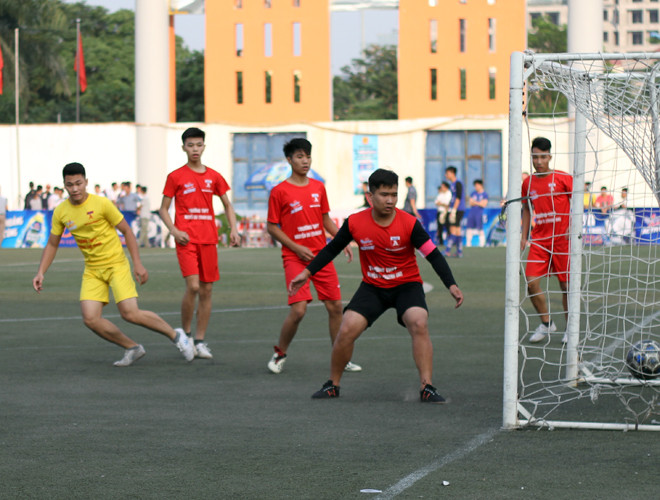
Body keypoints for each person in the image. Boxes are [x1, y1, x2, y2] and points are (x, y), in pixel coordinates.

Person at [289, 168, 464, 402]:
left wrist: (451, 284)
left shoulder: (410, 223)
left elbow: (433, 255)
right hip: (373, 287)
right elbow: (331, 249)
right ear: (370, 196)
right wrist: (307, 273)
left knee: (419, 321)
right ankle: (333, 385)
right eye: (384, 194)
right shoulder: (355, 222)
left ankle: (427, 387)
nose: (390, 200)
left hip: (407, 285)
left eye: (394, 194)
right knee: (346, 328)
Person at [32, 162, 194, 366]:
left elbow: (127, 231)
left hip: (116, 264)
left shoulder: (102, 204)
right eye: (70, 185)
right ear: (64, 186)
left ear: (86, 182)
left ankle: (176, 336)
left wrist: (137, 264)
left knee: (130, 313)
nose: (75, 189)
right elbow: (52, 243)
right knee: (90, 319)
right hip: (92, 269)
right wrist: (41, 272)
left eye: (78, 183)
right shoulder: (61, 211)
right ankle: (132, 348)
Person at [266, 138, 361, 374]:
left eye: (307, 156)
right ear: (289, 160)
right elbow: (272, 227)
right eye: (299, 156)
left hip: (321, 256)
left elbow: (325, 219)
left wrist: (341, 240)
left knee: (335, 306)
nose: (305, 161)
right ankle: (280, 353)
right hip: (294, 257)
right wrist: (296, 247)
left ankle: (340, 357)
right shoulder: (279, 191)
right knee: (299, 310)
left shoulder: (318, 187)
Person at [159, 127, 240, 360]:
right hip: (186, 239)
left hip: (208, 239)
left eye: (198, 144)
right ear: (183, 147)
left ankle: (200, 340)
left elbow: (227, 204)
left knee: (207, 290)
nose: (195, 149)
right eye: (190, 145)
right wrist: (174, 231)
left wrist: (233, 229)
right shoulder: (175, 176)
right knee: (193, 286)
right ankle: (185, 335)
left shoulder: (214, 176)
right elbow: (163, 209)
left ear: (204, 146)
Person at [521, 137, 573, 344]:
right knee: (531, 283)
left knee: (566, 285)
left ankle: (571, 328)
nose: (539, 161)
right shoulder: (528, 183)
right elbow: (526, 209)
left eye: (543, 157)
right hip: (540, 241)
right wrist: (523, 236)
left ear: (550, 157)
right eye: (535, 157)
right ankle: (546, 323)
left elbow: (577, 200)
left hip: (562, 241)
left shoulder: (563, 178)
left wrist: (573, 225)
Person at [444, 166, 465, 258]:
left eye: (447, 173)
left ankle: (447, 250)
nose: (446, 175)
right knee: (457, 230)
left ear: (452, 173)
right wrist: (448, 209)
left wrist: (454, 210)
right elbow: (453, 198)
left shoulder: (458, 183)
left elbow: (458, 198)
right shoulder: (452, 184)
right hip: (455, 209)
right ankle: (459, 252)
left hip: (458, 209)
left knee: (453, 229)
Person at [465, 179, 489, 247]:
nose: (476, 187)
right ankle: (468, 244)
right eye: (475, 186)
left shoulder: (484, 194)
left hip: (479, 213)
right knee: (469, 228)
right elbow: (470, 203)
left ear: (481, 185)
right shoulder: (473, 193)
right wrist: (479, 203)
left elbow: (483, 204)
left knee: (480, 229)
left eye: (477, 185)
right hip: (472, 213)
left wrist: (475, 202)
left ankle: (482, 244)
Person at [434, 181, 452, 246]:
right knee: (440, 228)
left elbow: (447, 204)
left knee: (448, 227)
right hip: (440, 212)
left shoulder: (449, 194)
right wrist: (442, 204)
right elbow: (436, 202)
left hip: (446, 212)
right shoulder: (440, 194)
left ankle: (450, 242)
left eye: (443, 187)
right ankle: (441, 242)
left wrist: (441, 203)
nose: (442, 188)